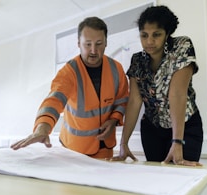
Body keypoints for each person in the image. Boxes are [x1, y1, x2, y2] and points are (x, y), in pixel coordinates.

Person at [11, 17, 129, 159]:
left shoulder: (116, 68)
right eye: (87, 44)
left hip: (105, 147)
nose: (93, 50)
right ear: (79, 44)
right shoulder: (68, 72)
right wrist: (42, 129)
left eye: (99, 44)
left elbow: (122, 100)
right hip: (74, 150)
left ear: (106, 43)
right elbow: (54, 100)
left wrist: (114, 120)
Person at [112, 5, 203, 166]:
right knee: (157, 181)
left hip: (185, 127)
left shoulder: (182, 46)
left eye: (156, 35)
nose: (149, 41)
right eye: (144, 35)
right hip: (152, 129)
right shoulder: (137, 61)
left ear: (167, 34)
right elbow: (134, 101)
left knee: (182, 179)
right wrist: (123, 143)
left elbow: (177, 94)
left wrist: (177, 142)